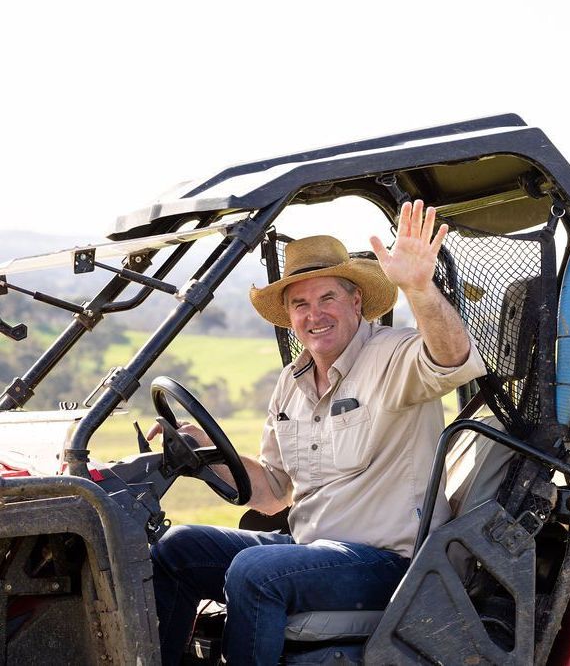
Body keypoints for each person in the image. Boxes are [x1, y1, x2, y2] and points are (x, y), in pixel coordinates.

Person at [149, 199, 487, 665]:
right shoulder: (292, 382)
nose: (315, 314)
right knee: (176, 549)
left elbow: (454, 359)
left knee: (255, 572)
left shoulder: (393, 357)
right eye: (300, 304)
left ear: (356, 301)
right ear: (289, 316)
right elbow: (271, 492)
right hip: (310, 552)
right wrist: (206, 450)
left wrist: (419, 287)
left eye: (327, 298)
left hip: (393, 565)